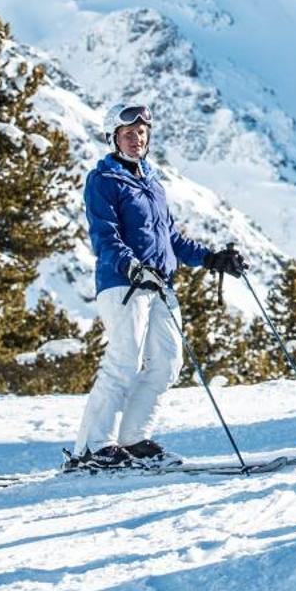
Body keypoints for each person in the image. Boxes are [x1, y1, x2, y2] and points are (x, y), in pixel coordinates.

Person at [69, 101, 246, 471]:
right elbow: (105, 234)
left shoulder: (152, 182)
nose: (137, 138)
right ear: (113, 138)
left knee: (167, 363)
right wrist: (132, 267)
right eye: (129, 133)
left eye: (142, 132)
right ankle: (92, 447)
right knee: (124, 361)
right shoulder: (103, 179)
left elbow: (171, 240)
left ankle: (133, 439)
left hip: (160, 286)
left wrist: (212, 259)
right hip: (124, 285)